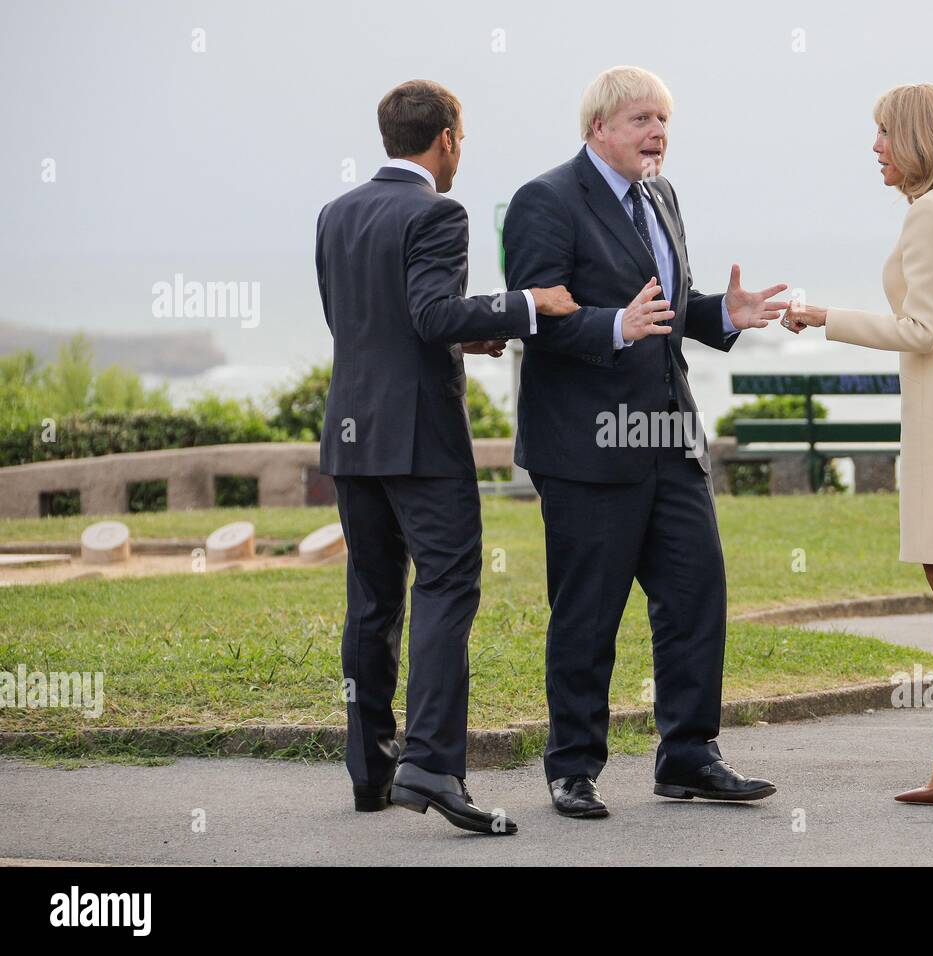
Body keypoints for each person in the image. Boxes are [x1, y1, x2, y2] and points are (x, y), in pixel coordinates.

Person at [503, 66, 786, 818]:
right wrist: (610, 326)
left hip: (668, 433)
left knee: (697, 597)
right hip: (587, 448)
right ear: (598, 128)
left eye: (663, 120)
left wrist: (721, 313)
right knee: (587, 616)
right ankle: (572, 767)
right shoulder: (546, 200)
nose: (657, 133)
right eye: (641, 120)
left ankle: (689, 756)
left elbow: (661, 309)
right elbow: (537, 315)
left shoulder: (662, 196)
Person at [315, 79, 577, 833]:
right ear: (448, 139)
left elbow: (365, 324)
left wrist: (463, 332)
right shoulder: (438, 212)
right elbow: (428, 314)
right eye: (463, 138)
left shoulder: (337, 212)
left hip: (351, 434)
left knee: (371, 598)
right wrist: (529, 305)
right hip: (422, 439)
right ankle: (430, 764)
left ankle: (371, 768)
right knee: (447, 586)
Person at [784, 83, 933, 805]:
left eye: (884, 132)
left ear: (918, 137)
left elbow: (920, 330)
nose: (876, 147)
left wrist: (825, 316)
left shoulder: (929, 216)